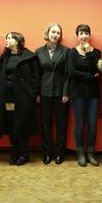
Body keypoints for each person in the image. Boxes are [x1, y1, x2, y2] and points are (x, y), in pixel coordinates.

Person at [0, 32, 40, 166]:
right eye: (6, 38)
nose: (6, 40)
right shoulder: (5, 57)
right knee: (11, 125)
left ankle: (24, 154)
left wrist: (34, 93)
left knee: (21, 126)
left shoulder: (30, 57)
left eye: (9, 38)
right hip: (7, 97)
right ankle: (15, 153)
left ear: (18, 41)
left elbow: (37, 76)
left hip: (23, 98)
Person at [67, 24, 102, 167]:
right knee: (80, 123)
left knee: (92, 124)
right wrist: (90, 76)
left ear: (89, 35)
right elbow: (72, 72)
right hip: (77, 93)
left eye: (86, 33)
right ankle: (80, 153)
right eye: (81, 33)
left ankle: (91, 153)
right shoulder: (72, 52)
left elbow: (96, 70)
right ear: (77, 35)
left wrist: (88, 53)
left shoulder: (96, 52)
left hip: (93, 93)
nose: (84, 36)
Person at [35, 23, 70, 165]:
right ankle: (47, 152)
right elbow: (37, 74)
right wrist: (37, 92)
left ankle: (60, 153)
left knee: (62, 124)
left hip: (61, 93)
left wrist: (66, 92)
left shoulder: (66, 51)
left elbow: (68, 74)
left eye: (58, 33)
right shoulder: (38, 51)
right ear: (48, 33)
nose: (55, 35)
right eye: (53, 32)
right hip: (44, 92)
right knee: (46, 124)